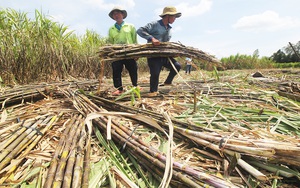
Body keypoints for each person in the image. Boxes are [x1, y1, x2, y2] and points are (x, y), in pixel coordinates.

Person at [137, 6, 182, 96]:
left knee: (177, 66)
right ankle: (153, 92)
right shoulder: (155, 24)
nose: (175, 19)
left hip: (164, 55)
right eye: (173, 17)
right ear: (167, 16)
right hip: (153, 55)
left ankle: (168, 82)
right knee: (155, 74)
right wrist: (152, 38)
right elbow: (140, 30)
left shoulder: (169, 28)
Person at [108, 6, 139, 95]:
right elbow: (111, 41)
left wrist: (136, 52)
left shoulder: (130, 26)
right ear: (113, 17)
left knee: (133, 68)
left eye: (118, 13)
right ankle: (119, 88)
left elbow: (135, 39)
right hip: (117, 52)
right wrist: (111, 52)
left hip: (129, 51)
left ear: (122, 14)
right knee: (116, 70)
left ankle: (135, 85)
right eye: (114, 14)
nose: (116, 15)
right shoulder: (111, 29)